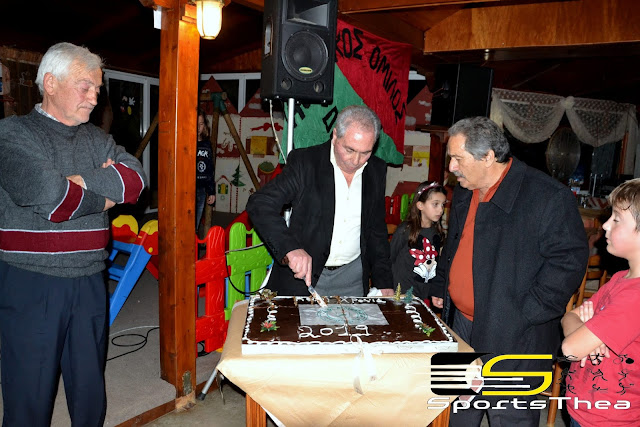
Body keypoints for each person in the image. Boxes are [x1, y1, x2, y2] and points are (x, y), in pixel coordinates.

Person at [0, 42, 147, 426]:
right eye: (86, 86)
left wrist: (77, 182)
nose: (95, 97)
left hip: (90, 280)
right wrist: (104, 191)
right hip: (31, 282)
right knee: (29, 396)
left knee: (89, 392)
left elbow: (135, 182)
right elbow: (53, 199)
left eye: (98, 88)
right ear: (50, 83)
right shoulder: (12, 134)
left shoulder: (97, 138)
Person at [429, 116, 588, 426]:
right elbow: (454, 245)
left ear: (488, 157)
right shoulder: (465, 190)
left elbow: (569, 261)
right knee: (456, 415)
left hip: (515, 336)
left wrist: (525, 312)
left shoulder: (547, 196)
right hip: (461, 325)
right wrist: (441, 286)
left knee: (508, 417)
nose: (451, 167)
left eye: (458, 158)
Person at [246, 105, 394, 297]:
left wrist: (384, 281)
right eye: (349, 150)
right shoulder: (305, 162)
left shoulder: (376, 170)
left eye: (365, 152)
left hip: (353, 279)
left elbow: (376, 230)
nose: (356, 160)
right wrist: (290, 248)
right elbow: (260, 203)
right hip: (305, 278)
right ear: (335, 135)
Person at [561, 178, 640, 427]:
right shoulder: (620, 279)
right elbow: (569, 316)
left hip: (609, 419)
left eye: (616, 219)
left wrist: (585, 332)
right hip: (586, 408)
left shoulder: (635, 297)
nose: (604, 224)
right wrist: (587, 333)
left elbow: (570, 349)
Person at [389, 181, 447, 297]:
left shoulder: (437, 232)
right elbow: (390, 258)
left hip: (424, 294)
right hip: (402, 293)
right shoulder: (405, 230)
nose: (441, 210)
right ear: (420, 205)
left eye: (443, 204)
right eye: (435, 204)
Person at [196, 108, 215, 232]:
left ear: (205, 126)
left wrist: (211, 191)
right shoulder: (185, 144)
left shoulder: (207, 145)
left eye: (201, 124)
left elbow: (210, 169)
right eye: (195, 124)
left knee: (196, 222)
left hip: (201, 189)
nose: (198, 127)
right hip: (187, 189)